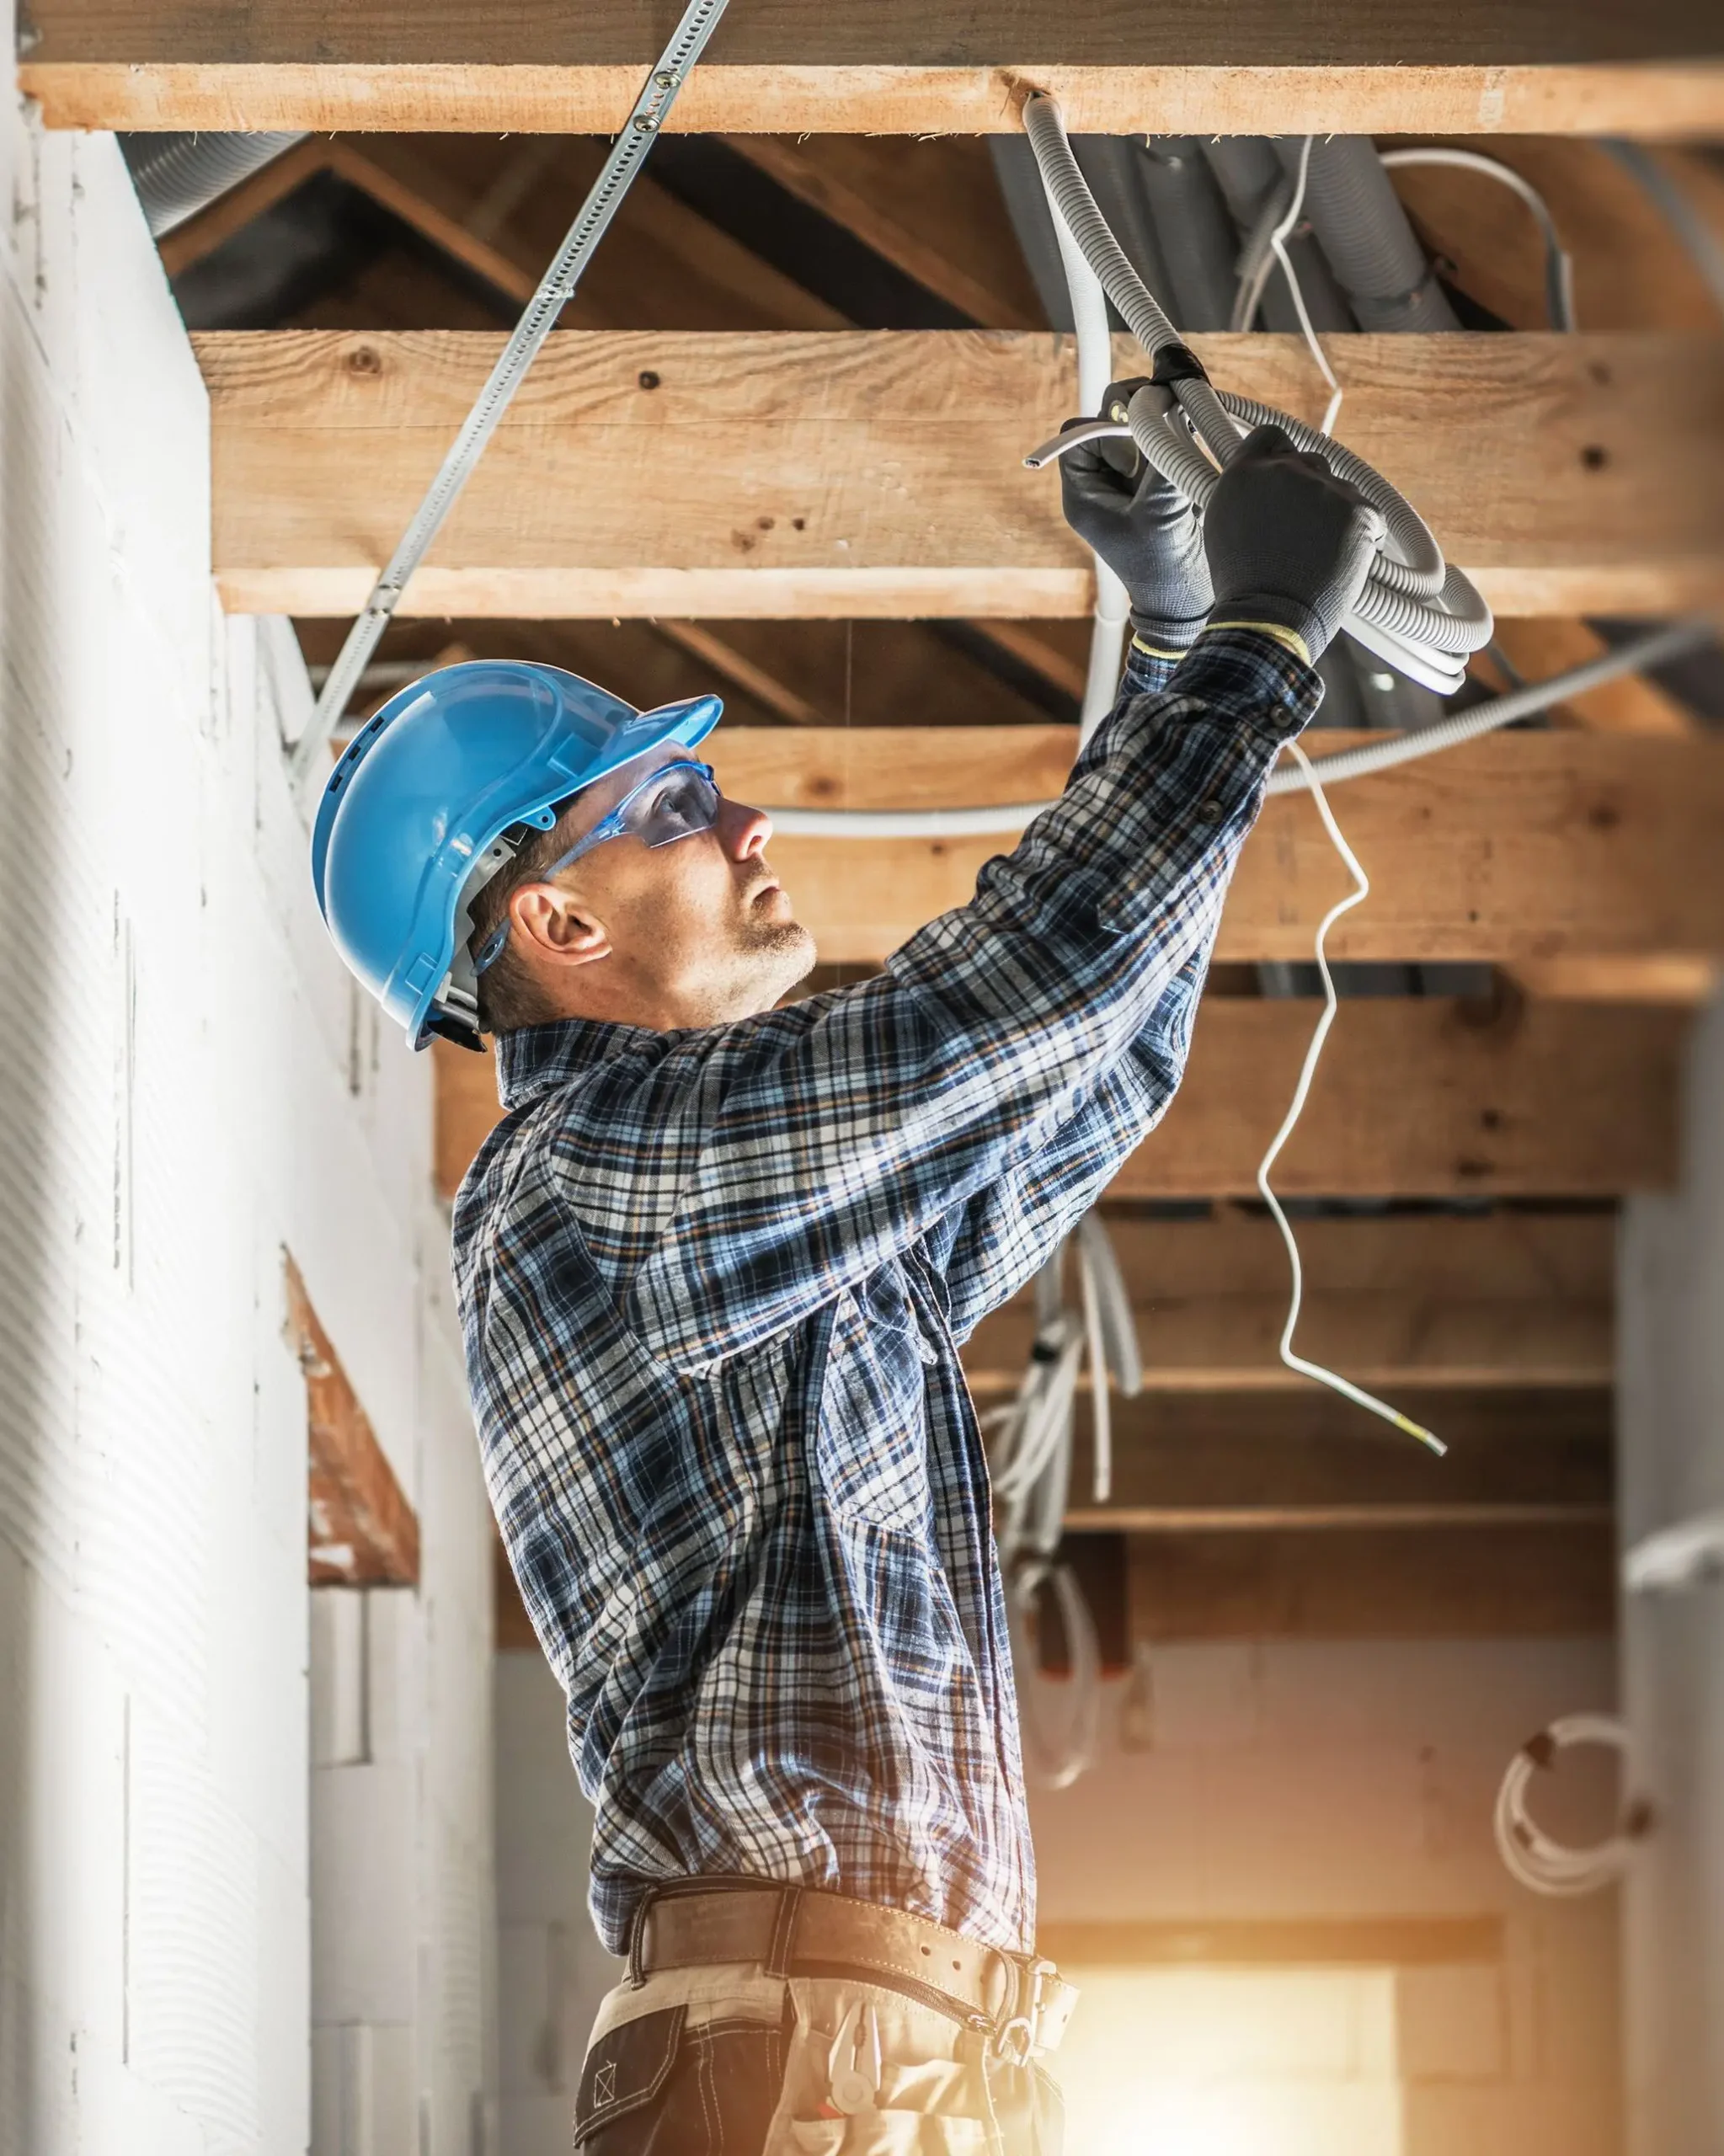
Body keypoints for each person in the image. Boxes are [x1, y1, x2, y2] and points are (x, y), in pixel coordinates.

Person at [312, 398, 1382, 2153]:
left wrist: (1183, 647)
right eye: (672, 804)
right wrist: (1246, 652)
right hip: (816, 2059)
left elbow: (1094, 1055)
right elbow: (1019, 1004)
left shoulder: (755, 1220)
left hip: (854, 2054)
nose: (743, 818)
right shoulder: (596, 1177)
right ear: (558, 923)